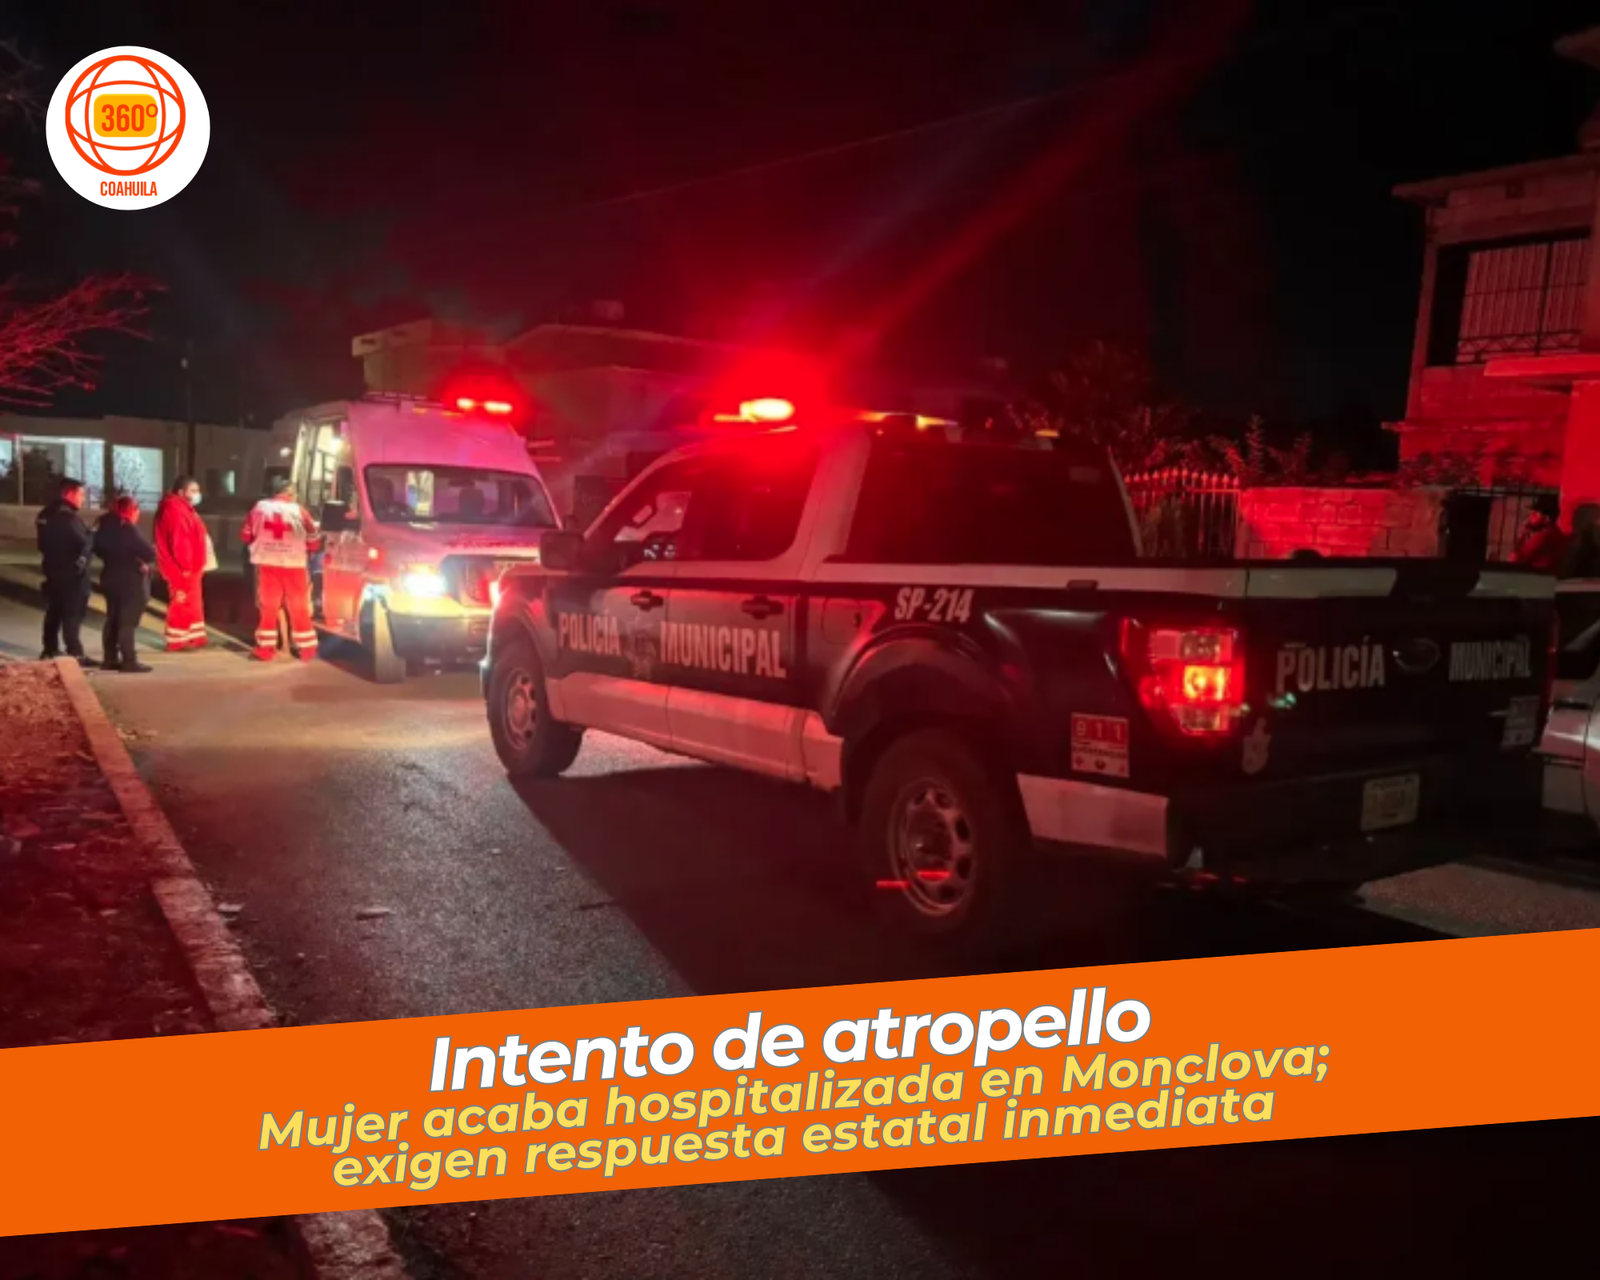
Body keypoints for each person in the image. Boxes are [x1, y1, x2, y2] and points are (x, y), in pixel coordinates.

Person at [239, 478, 322, 663]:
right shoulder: (300, 511)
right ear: (290, 492)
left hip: (267, 564)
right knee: (299, 607)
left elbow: (245, 535)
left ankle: (265, 649)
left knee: (269, 607)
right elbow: (314, 541)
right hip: (295, 565)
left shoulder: (259, 508)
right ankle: (307, 650)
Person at [92, 495, 157, 673]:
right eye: (137, 510)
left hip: (110, 577)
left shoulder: (103, 526)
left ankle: (109, 658)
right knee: (127, 622)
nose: (138, 514)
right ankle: (129, 660)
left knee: (112, 619)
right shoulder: (127, 528)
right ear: (131, 510)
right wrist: (141, 559)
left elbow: (97, 548)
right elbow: (149, 553)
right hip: (131, 580)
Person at [35, 477, 92, 661]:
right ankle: (75, 652)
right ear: (70, 493)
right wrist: (90, 537)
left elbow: (42, 544)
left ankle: (50, 648)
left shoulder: (45, 514)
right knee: (72, 613)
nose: (83, 499)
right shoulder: (68, 517)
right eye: (81, 494)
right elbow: (84, 543)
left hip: (52, 569)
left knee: (54, 610)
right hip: (72, 572)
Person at [154, 476, 213, 651]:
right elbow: (180, 542)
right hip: (181, 568)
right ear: (181, 492)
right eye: (193, 491)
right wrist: (186, 566)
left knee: (193, 602)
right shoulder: (175, 511)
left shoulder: (184, 509)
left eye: (198, 490)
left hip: (192, 566)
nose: (197, 494)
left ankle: (195, 637)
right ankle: (176, 640)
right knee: (181, 602)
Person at [1512, 495, 1571, 570]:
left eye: (1535, 514)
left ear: (1547, 518)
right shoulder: (1558, 534)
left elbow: (1515, 561)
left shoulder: (1542, 537)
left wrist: (1522, 536)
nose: (1530, 517)